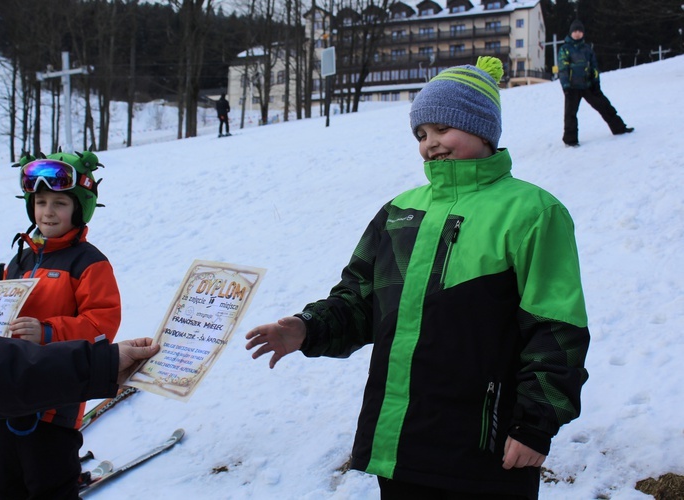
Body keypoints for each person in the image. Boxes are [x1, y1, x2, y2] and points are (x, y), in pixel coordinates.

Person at [246, 56, 590, 500]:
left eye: (443, 129)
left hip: (488, 449)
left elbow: (556, 327)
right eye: (421, 135)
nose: (431, 144)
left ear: (482, 127)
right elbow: (360, 300)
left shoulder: (532, 212)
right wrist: (307, 328)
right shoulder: (400, 212)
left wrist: (535, 424)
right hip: (401, 445)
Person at [0, 150, 122, 499]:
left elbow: (102, 324)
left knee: (49, 487)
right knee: (9, 485)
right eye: (40, 202)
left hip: (57, 401)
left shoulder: (88, 263)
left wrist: (48, 332)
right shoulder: (21, 258)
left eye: (59, 202)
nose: (48, 211)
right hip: (11, 396)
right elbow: (2, 316)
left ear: (79, 207)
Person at [0, 329, 158, 435]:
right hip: (16, 411)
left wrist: (102, 364)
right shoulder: (21, 257)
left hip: (55, 408)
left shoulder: (86, 261)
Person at [558, 19, 634, 147]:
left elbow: (594, 67)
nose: (577, 34)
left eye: (580, 31)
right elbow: (563, 69)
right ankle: (570, 140)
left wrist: (596, 83)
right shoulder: (565, 49)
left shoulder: (587, 49)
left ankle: (619, 128)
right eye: (575, 31)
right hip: (572, 88)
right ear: (571, 33)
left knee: (605, 106)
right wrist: (566, 86)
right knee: (570, 114)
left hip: (588, 86)